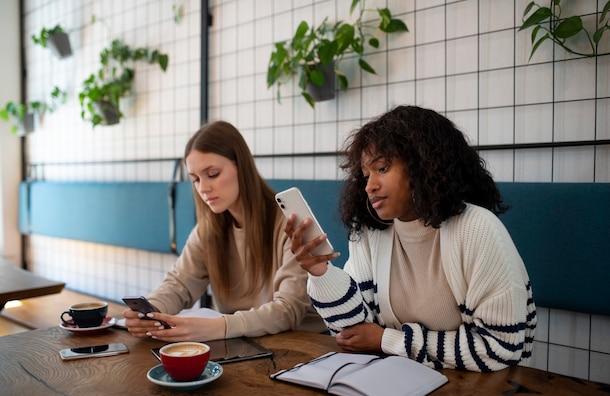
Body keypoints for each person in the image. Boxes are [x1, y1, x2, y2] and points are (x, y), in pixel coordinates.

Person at [285, 105, 537, 372]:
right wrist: (320, 272)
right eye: (366, 175)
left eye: (382, 168)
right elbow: (352, 332)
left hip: (486, 393)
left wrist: (387, 340)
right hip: (402, 380)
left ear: (424, 164)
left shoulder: (477, 228)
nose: (370, 185)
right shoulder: (371, 231)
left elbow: (500, 348)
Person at [124, 121, 326, 342]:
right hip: (242, 343)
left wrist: (217, 327)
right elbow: (179, 284)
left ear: (242, 167)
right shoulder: (209, 230)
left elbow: (288, 310)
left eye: (212, 174)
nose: (203, 188)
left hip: (303, 344)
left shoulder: (291, 223)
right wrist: (151, 311)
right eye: (195, 179)